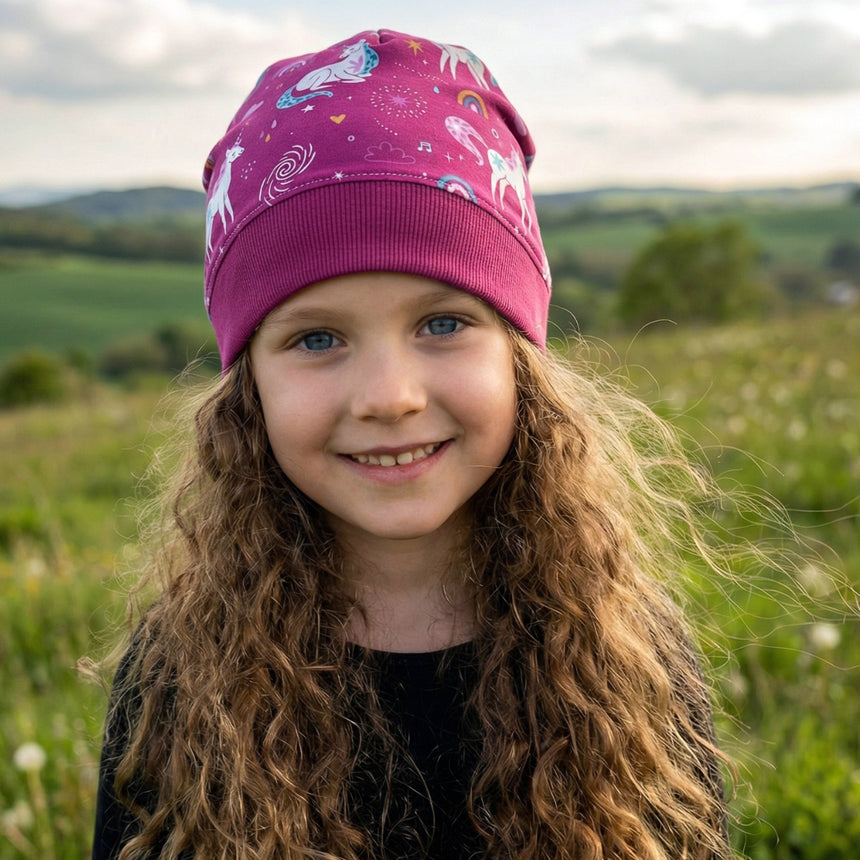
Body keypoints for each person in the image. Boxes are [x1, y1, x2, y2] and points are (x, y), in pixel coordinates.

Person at [93, 28, 733, 860]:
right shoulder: (179, 680)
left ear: (518, 357)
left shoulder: (624, 653)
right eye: (318, 339)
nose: (390, 397)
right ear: (248, 390)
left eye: (443, 323)